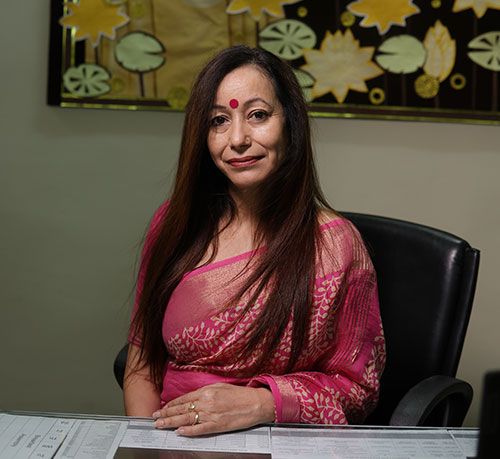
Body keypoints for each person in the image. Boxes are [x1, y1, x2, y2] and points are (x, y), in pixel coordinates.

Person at [124, 45, 385, 437]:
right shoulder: (176, 225)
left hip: (285, 445)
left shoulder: (336, 247)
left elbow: (358, 390)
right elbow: (142, 363)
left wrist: (263, 403)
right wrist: (147, 445)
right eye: (218, 121)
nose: (237, 139)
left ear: (290, 123)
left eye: (258, 115)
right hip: (174, 441)